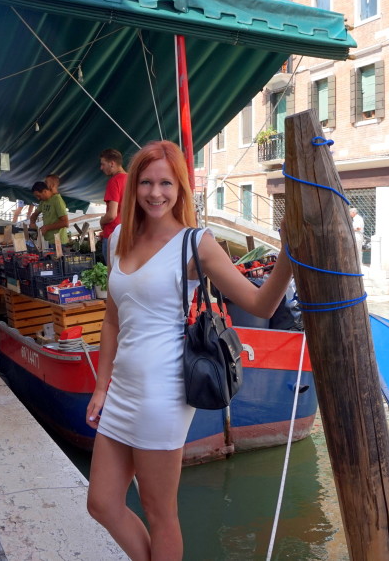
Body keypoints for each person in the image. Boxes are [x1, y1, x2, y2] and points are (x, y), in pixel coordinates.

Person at [84, 140, 293, 559]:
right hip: (122, 389)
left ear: (179, 188)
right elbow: (111, 319)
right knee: (102, 503)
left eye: (165, 182)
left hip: (164, 395)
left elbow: (260, 305)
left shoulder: (195, 244)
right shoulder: (119, 238)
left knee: (161, 512)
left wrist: (288, 253)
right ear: (133, 187)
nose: (155, 192)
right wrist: (101, 386)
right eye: (146, 182)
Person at [99, 148, 127, 265]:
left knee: (113, 275)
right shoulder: (133, 180)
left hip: (113, 234)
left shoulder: (114, 181)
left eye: (103, 164)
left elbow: (111, 215)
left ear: (112, 163)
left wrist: (102, 221)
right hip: (130, 233)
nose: (101, 168)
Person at [29, 181, 69, 247]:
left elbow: (65, 223)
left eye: (39, 195)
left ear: (45, 191)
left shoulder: (57, 200)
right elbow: (34, 215)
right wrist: (32, 224)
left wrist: (46, 228)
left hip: (58, 242)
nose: (38, 198)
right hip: (47, 240)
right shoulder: (43, 201)